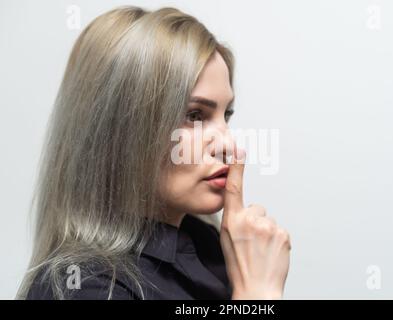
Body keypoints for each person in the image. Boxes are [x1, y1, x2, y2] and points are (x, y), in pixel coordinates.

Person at [18, 5, 291, 300]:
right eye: (195, 116)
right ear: (122, 129)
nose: (228, 146)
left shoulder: (212, 251)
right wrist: (258, 294)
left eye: (226, 116)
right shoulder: (86, 288)